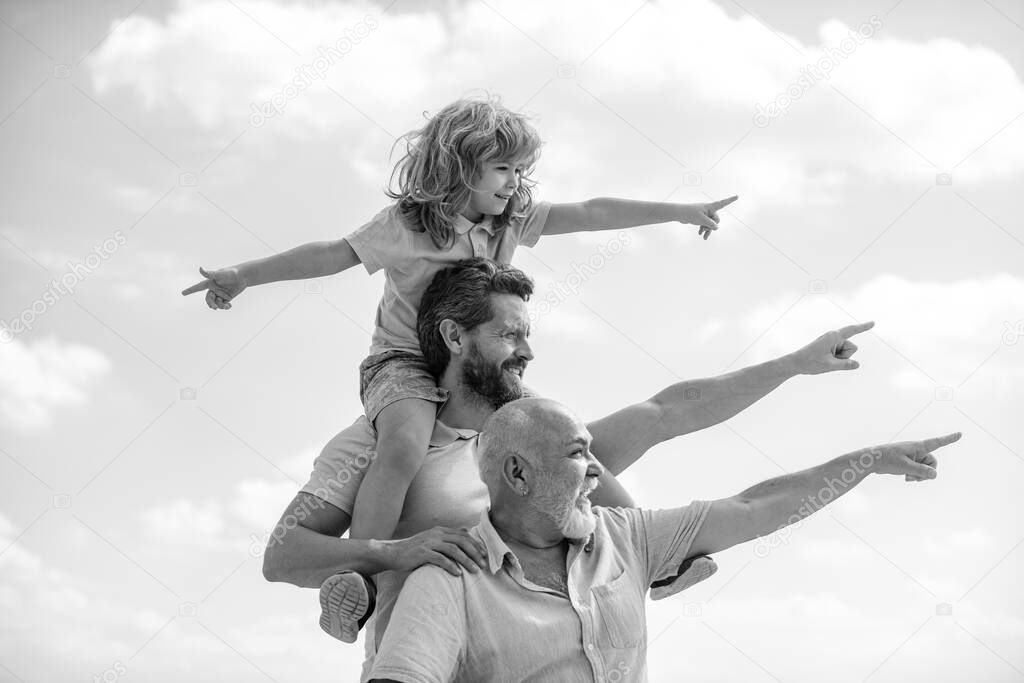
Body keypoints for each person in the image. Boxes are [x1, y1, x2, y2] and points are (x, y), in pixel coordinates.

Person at [183, 95, 737, 641]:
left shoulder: (511, 220)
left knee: (568, 439)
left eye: (522, 170)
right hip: (402, 362)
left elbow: (591, 212)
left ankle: (656, 553)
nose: (514, 181)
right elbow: (331, 254)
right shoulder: (407, 225)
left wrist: (677, 211)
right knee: (402, 443)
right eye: (502, 168)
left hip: (479, 368)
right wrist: (243, 276)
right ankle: (360, 577)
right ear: (459, 166)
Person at [261, 258, 875, 671]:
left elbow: (668, 410)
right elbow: (283, 558)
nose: (527, 351)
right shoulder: (375, 442)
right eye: (509, 336)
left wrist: (793, 363)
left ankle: (659, 568)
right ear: (454, 337)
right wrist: (395, 553)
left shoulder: (541, 443)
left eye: (528, 335)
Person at [366, 397, 961, 682]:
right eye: (579, 454)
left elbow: (756, 506)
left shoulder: (626, 537)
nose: (597, 471)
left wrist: (869, 459)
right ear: (517, 474)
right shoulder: (447, 578)